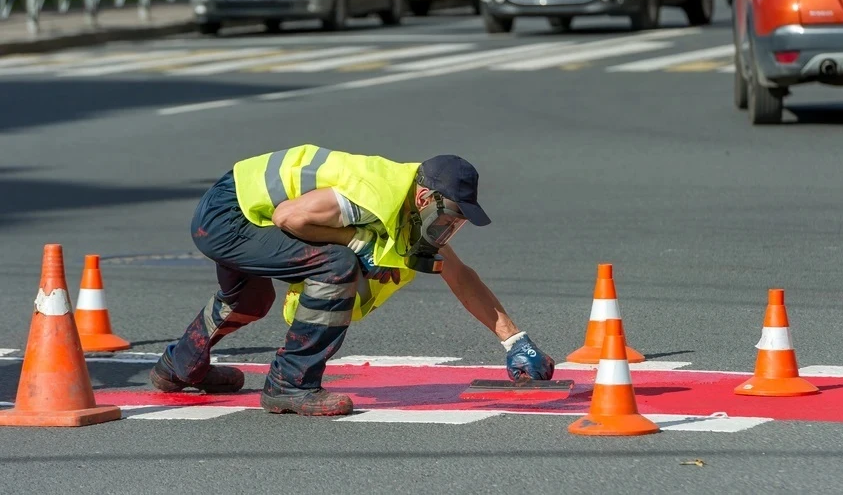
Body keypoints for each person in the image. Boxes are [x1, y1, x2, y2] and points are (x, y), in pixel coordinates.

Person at [150, 145, 555, 416]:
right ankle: (290, 382)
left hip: (235, 202)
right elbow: (288, 218)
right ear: (424, 199)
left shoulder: (409, 211)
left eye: (458, 223)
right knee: (337, 265)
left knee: (251, 299)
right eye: (449, 218)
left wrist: (514, 340)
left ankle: (178, 366)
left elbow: (459, 274)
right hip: (227, 215)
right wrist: (358, 240)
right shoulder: (372, 196)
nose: (449, 229)